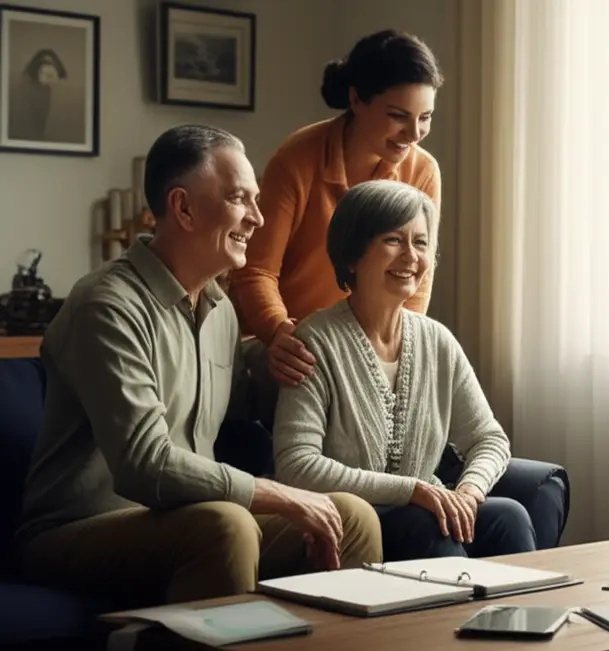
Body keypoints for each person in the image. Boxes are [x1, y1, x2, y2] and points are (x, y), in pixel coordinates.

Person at [14, 125, 382, 605]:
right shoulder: (106, 307)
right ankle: (152, 636)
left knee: (351, 516)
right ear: (182, 208)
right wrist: (279, 494)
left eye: (255, 200)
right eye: (238, 199)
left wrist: (306, 354)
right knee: (227, 525)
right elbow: (146, 465)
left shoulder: (219, 308)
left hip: (187, 517)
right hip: (78, 529)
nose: (257, 218)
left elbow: (244, 400)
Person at [272, 180, 537, 562]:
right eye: (393, 240)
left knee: (509, 516)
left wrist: (469, 492)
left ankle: (523, 606)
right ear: (352, 255)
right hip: (355, 518)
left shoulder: (437, 340)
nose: (411, 256)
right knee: (428, 525)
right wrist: (411, 490)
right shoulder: (314, 341)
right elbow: (297, 466)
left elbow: (489, 439)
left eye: (421, 242)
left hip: (426, 507)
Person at [227, 29, 444, 424]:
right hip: (289, 342)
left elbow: (417, 275)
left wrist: (401, 350)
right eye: (399, 116)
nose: (414, 135)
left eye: (425, 118)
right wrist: (279, 333)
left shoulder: (423, 170)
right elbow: (256, 271)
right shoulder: (298, 159)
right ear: (356, 99)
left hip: (368, 347)